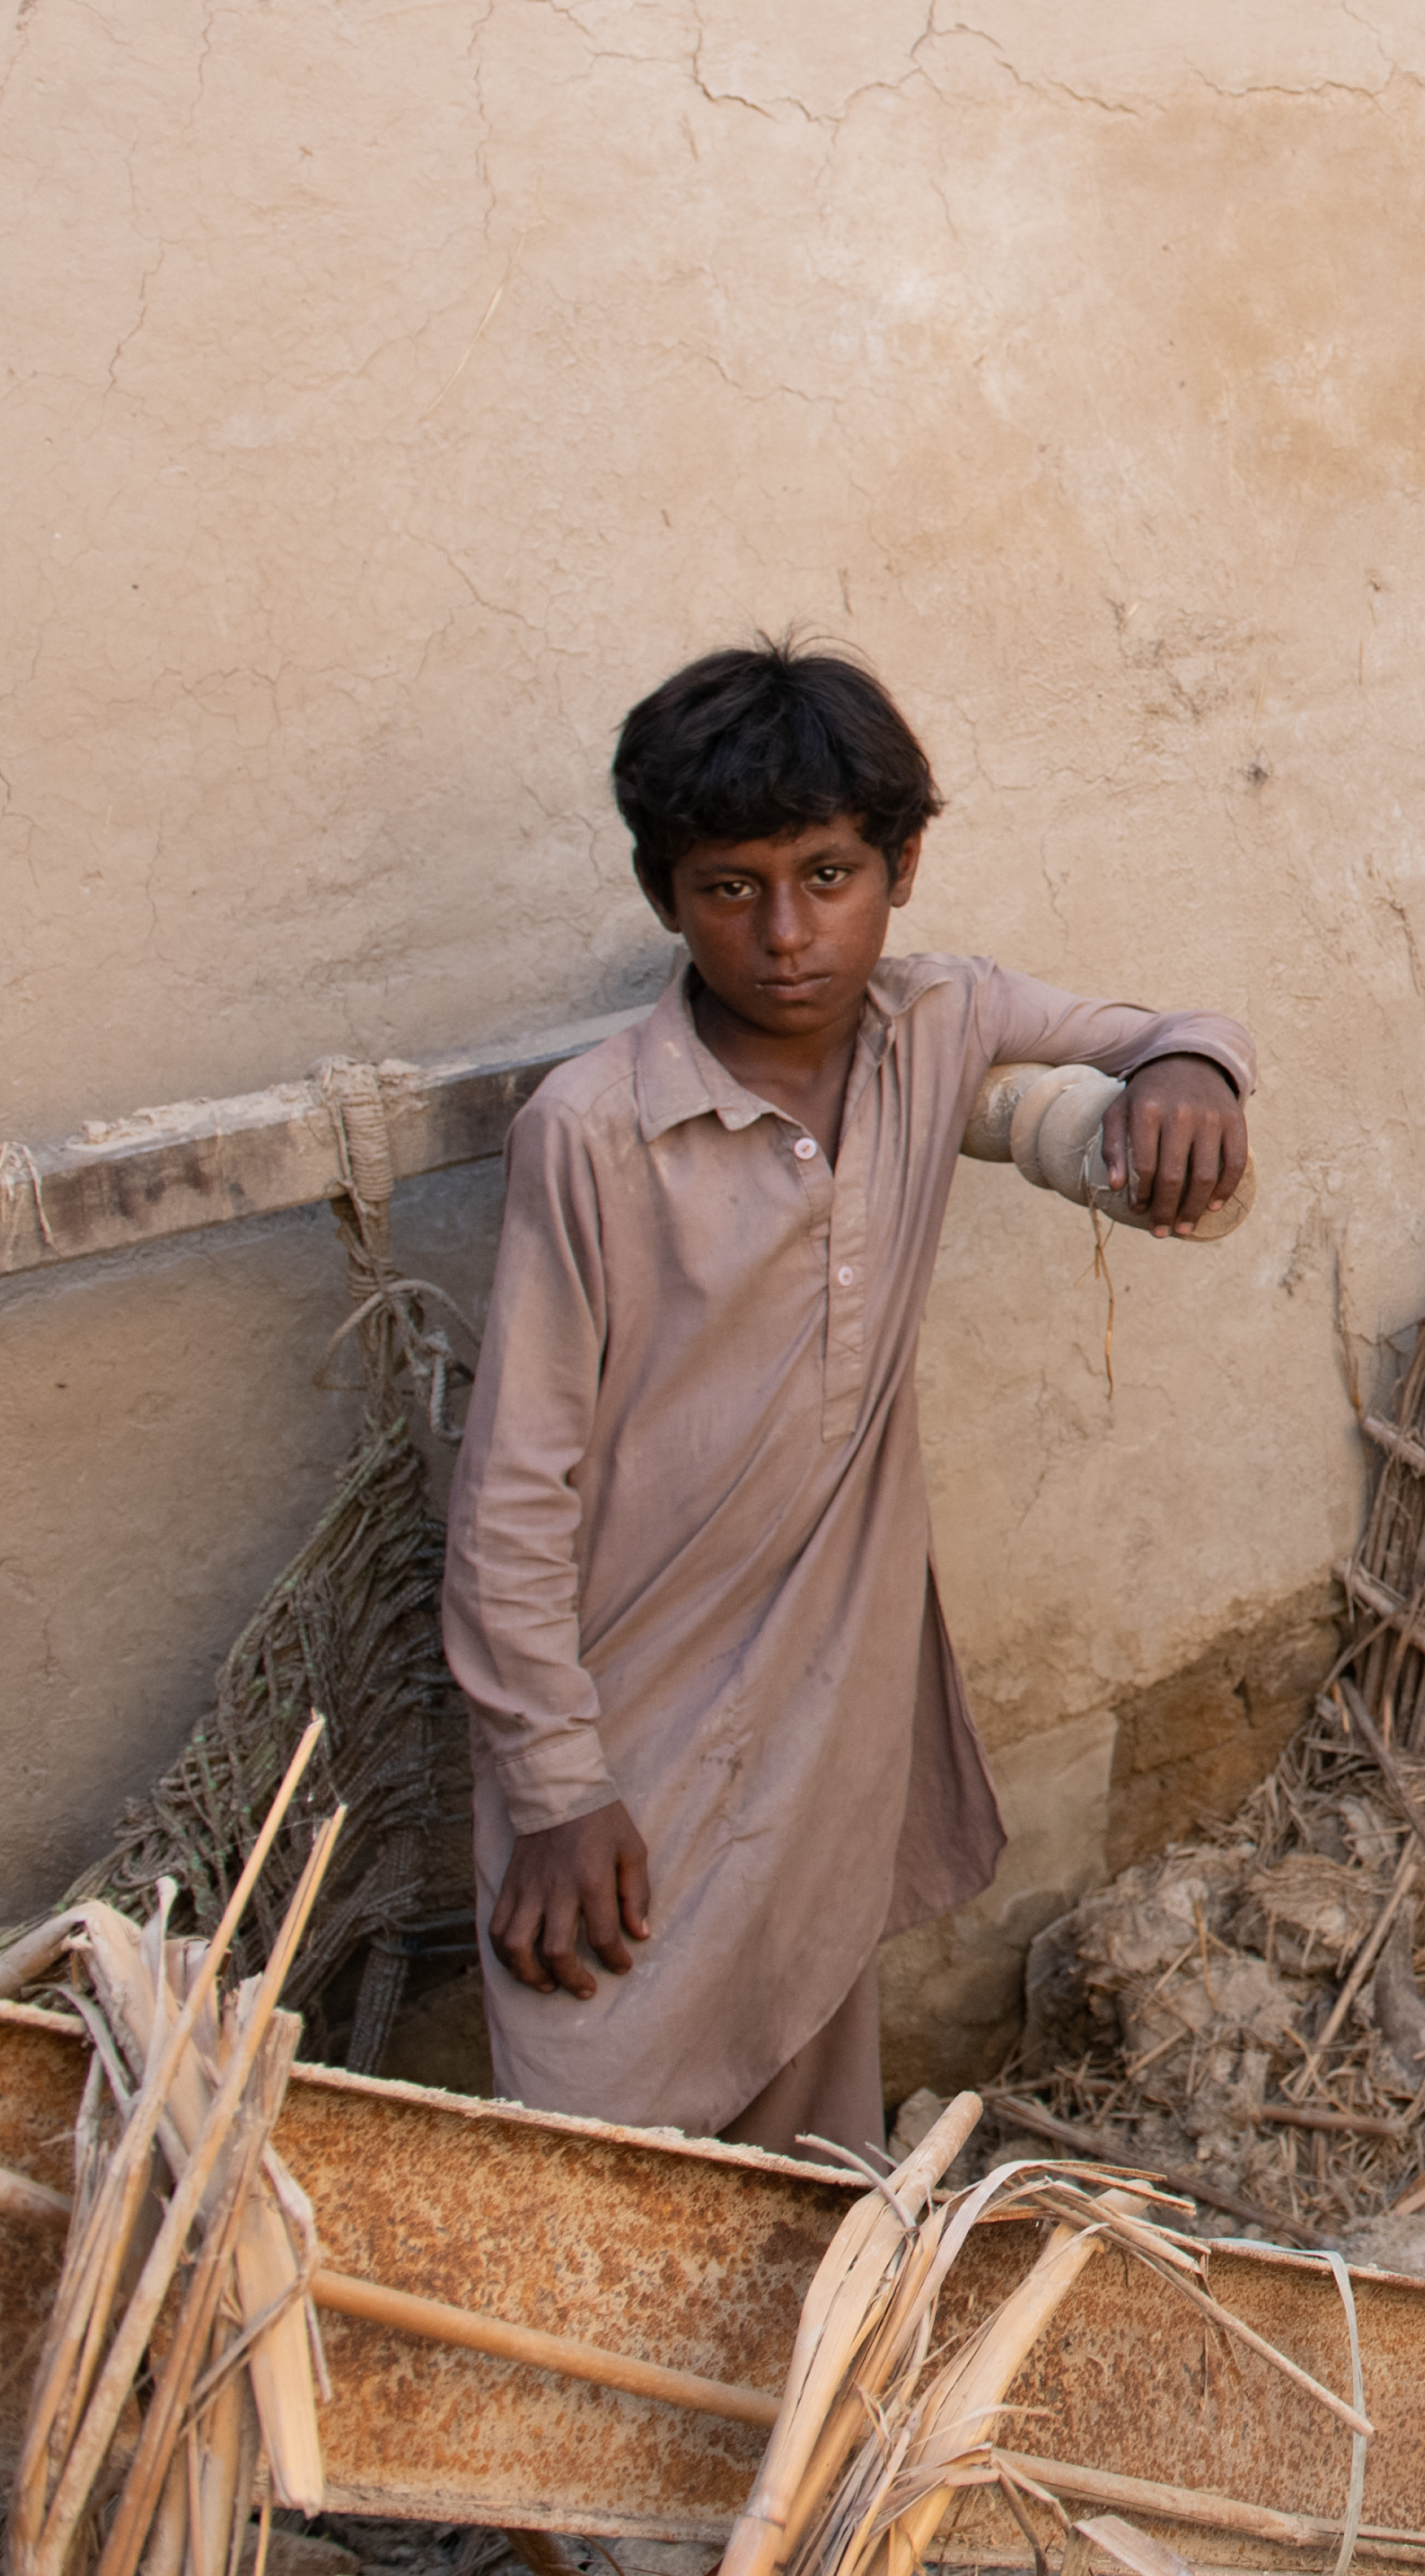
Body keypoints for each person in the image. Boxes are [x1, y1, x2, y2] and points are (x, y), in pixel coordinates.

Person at [442, 642, 1257, 2155]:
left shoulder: (935, 1023)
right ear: (663, 895)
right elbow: (510, 1494)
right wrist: (554, 1789)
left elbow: (1155, 1030)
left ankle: (808, 2369)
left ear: (902, 865)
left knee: (809, 2066)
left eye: (829, 876)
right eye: (729, 888)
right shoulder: (599, 1133)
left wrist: (1192, 1070)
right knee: (593, 2093)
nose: (787, 936)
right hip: (627, 1693)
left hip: (827, 1671)